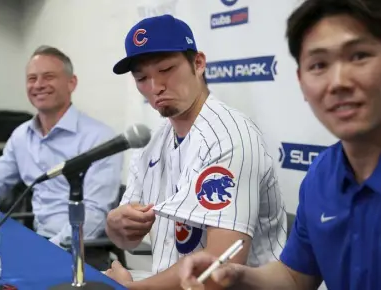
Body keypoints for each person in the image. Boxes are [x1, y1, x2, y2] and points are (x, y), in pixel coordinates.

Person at [179, 0, 381, 289]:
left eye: (359, 56)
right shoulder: (322, 174)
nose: (338, 82)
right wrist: (236, 274)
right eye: (319, 65)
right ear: (301, 82)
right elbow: (295, 276)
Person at [104, 14, 287, 289]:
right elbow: (128, 240)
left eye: (166, 69)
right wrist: (114, 227)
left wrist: (129, 288)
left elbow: (220, 268)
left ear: (198, 63)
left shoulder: (230, 136)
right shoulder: (154, 143)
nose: (155, 87)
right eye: (142, 77)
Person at [0, 46, 123, 254]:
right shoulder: (21, 135)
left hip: (81, 250)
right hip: (37, 240)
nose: (38, 85)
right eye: (31, 78)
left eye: (48, 77)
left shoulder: (100, 138)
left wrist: (46, 249)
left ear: (71, 83)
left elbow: (94, 214)